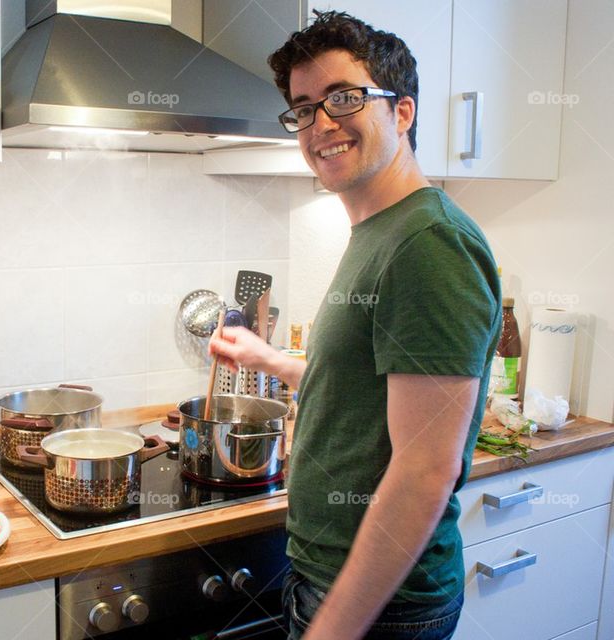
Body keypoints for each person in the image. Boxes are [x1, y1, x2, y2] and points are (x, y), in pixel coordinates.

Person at [209, 11, 501, 640]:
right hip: (328, 578)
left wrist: (333, 629)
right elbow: (365, 385)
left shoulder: (429, 244)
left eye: (344, 98)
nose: (322, 124)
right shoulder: (382, 229)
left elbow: (425, 471)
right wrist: (269, 360)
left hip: (380, 606)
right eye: (304, 108)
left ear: (402, 113)